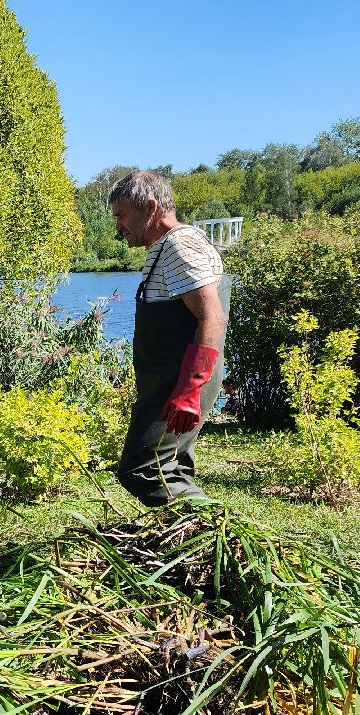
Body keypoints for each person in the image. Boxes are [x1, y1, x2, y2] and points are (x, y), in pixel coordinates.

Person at [108, 170, 228, 506]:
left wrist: (189, 390)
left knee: (142, 469)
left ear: (149, 207)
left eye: (121, 215)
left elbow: (212, 316)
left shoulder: (179, 245)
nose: (118, 227)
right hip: (170, 382)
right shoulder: (166, 247)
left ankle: (218, 529)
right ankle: (189, 547)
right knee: (170, 469)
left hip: (180, 383)